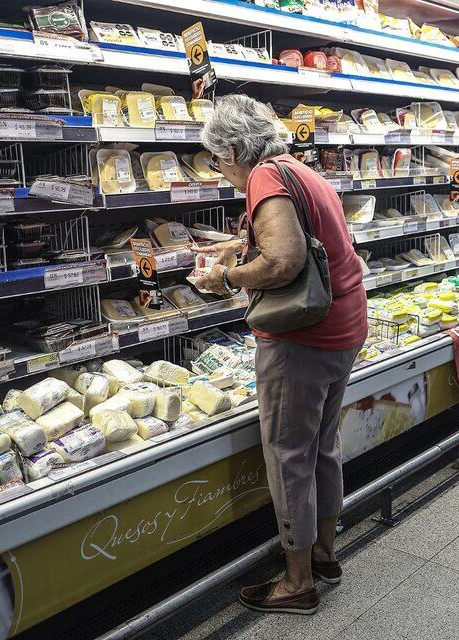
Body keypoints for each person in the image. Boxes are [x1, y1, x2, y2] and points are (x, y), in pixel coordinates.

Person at [195, 95, 368, 615]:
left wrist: (225, 276)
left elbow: (286, 261)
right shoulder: (299, 170)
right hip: (343, 325)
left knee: (289, 454)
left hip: (303, 338)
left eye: (218, 161)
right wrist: (235, 251)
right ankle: (324, 554)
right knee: (322, 445)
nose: (221, 172)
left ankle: (297, 583)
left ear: (231, 148)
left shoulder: (263, 179)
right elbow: (297, 239)